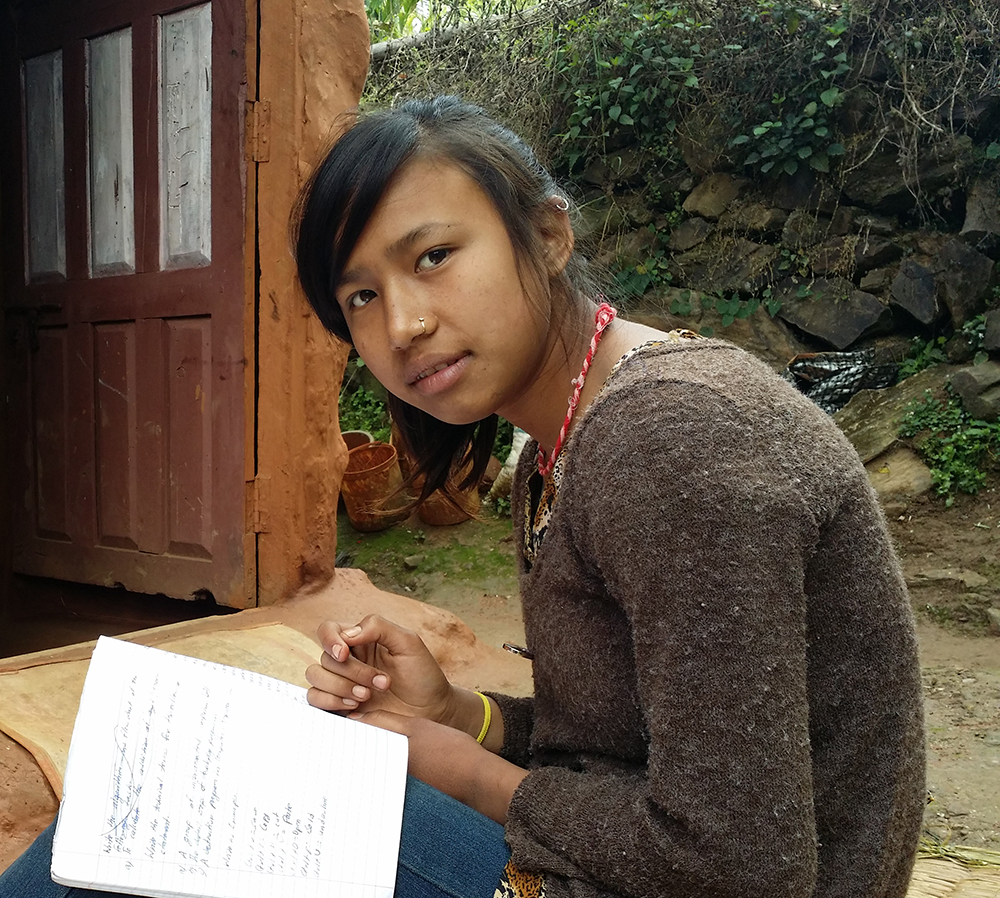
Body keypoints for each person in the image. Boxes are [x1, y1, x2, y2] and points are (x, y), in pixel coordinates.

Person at [0, 95, 924, 898]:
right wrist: (457, 715)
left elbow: (743, 865)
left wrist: (461, 771)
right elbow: (620, 747)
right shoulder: (570, 434)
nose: (403, 323)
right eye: (361, 297)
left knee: (185, 804)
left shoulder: (672, 438)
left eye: (434, 255)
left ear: (549, 235)